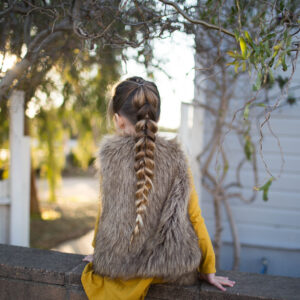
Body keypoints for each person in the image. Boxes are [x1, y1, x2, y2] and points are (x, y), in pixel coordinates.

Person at [81, 76, 235, 300]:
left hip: (120, 269)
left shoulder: (110, 157)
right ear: (156, 116)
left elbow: (105, 212)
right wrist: (208, 268)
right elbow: (194, 216)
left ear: (118, 119)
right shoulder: (176, 157)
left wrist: (100, 251)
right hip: (169, 269)